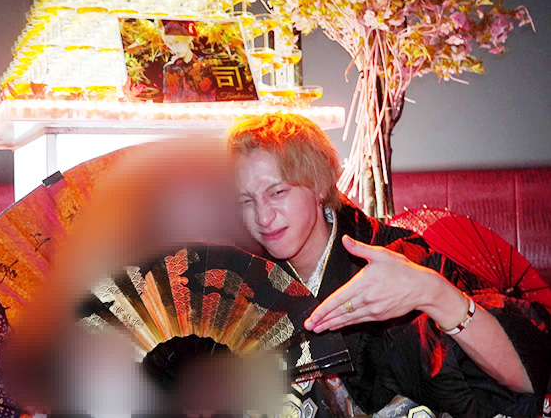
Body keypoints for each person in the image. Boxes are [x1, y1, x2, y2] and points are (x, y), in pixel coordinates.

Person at [226, 112, 551, 417]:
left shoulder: (394, 255)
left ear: (319, 183)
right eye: (246, 201)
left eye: (278, 192)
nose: (263, 217)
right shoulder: (244, 277)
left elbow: (525, 380)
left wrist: (433, 293)